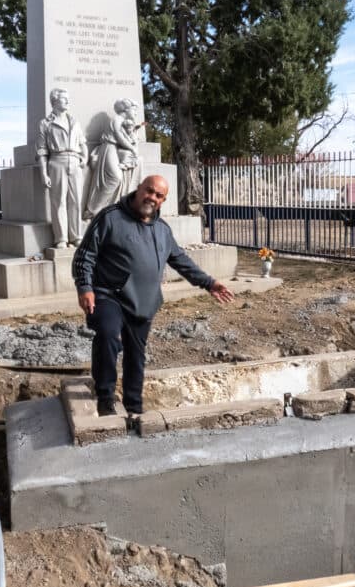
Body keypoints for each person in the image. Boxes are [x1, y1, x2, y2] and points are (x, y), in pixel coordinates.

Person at [72, 175, 235, 416]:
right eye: (149, 191)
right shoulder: (110, 218)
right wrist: (85, 287)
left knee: (136, 356)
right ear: (139, 189)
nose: (152, 198)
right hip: (109, 295)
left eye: (159, 196)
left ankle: (134, 408)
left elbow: (180, 260)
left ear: (163, 201)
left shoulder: (162, 229)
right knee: (108, 335)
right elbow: (85, 256)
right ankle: (105, 398)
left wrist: (209, 283)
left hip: (144, 301)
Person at [35, 88, 87, 248]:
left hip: (75, 162)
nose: (67, 101)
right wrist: (43, 173)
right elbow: (42, 151)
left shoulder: (74, 121)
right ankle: (61, 238)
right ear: (54, 101)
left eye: (67, 98)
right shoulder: (46, 123)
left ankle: (77, 236)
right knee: (59, 202)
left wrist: (85, 157)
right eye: (64, 99)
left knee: (76, 201)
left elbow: (82, 142)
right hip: (57, 161)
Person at [82, 98, 144, 221]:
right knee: (115, 177)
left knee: (117, 178)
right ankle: (92, 211)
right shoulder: (117, 119)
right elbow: (119, 137)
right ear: (126, 109)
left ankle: (108, 208)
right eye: (134, 110)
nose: (136, 113)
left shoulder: (124, 121)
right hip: (109, 148)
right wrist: (132, 148)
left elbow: (125, 137)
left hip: (115, 149)